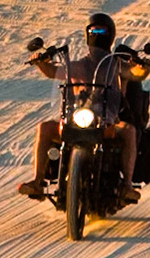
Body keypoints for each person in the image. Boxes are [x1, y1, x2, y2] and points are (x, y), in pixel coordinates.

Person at [16, 12, 139, 205]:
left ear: (110, 35)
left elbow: (135, 72)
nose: (97, 34)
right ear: (88, 34)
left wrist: (142, 65)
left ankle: (127, 187)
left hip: (108, 121)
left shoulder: (116, 64)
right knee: (45, 128)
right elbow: (52, 72)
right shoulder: (78, 66)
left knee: (129, 131)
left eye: (101, 30)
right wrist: (40, 61)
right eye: (94, 30)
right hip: (78, 118)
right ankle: (38, 182)